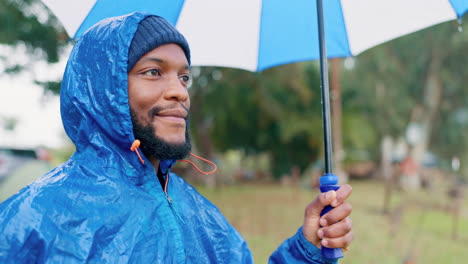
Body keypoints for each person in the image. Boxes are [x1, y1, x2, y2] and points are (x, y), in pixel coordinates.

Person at [0, 12, 352, 263]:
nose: (179, 93)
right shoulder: (34, 219)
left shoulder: (200, 215)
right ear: (104, 90)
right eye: (153, 72)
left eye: (184, 78)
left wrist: (306, 249)